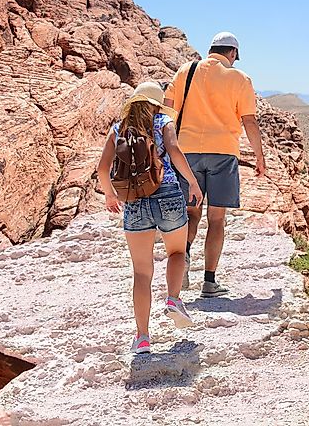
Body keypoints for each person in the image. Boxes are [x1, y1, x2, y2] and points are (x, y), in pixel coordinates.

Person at [97, 82, 203, 354]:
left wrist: (110, 196)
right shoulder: (163, 121)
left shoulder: (118, 129)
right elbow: (175, 152)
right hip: (167, 191)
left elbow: (102, 168)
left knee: (142, 271)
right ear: (156, 104)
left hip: (134, 199)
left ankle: (142, 338)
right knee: (177, 251)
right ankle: (173, 299)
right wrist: (192, 182)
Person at [165, 32, 266, 298]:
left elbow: (166, 112)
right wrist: (259, 155)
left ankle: (184, 257)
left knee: (191, 212)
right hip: (223, 153)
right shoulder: (239, 78)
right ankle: (209, 282)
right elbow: (250, 122)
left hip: (187, 154)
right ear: (232, 53)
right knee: (217, 219)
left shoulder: (186, 71)